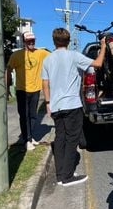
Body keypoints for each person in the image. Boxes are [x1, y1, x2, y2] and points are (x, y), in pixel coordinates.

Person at [41, 28, 106, 187]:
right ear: (68, 41)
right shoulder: (74, 56)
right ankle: (68, 176)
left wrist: (48, 103)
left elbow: (45, 83)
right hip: (72, 105)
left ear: (54, 41)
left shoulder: (47, 59)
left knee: (60, 138)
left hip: (56, 106)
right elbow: (97, 64)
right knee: (72, 140)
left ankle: (60, 175)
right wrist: (103, 46)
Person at [6, 32, 49, 150]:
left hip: (35, 90)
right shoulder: (17, 55)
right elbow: (8, 70)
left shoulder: (40, 53)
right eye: (29, 40)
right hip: (22, 90)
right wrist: (7, 87)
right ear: (24, 41)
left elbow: (55, 56)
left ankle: (30, 137)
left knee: (33, 115)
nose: (31, 42)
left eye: (33, 40)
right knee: (24, 116)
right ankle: (27, 139)